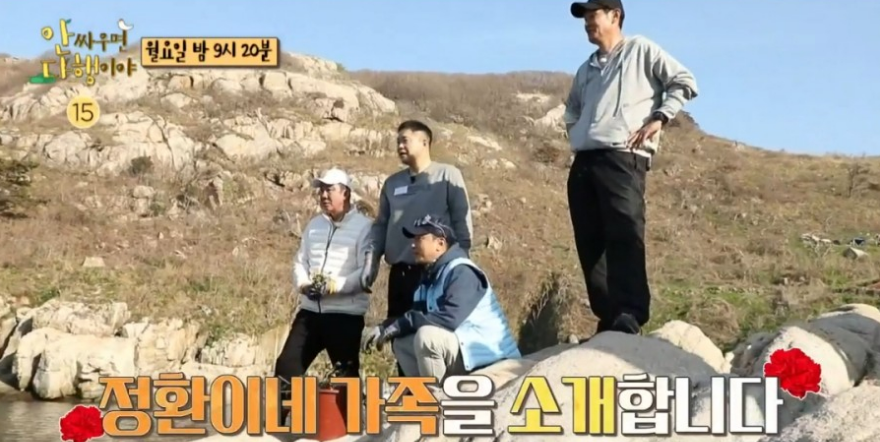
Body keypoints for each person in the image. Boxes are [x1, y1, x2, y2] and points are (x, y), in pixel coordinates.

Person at [565, 0, 699, 337]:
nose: (587, 22)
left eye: (593, 14)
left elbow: (684, 80)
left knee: (624, 233)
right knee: (590, 242)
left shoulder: (640, 49)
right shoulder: (585, 69)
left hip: (624, 156)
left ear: (615, 16)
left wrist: (660, 117)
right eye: (584, 17)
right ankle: (608, 316)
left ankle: (629, 313)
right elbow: (572, 109)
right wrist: (577, 132)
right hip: (585, 160)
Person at [359, 120, 474, 374]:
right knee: (401, 342)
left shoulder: (447, 176)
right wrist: (371, 259)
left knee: (429, 338)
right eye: (397, 141)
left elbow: (462, 223)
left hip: (434, 274)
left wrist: (460, 266)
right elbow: (381, 225)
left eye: (405, 140)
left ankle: (441, 396)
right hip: (400, 276)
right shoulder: (392, 184)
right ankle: (412, 399)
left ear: (424, 142)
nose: (399, 145)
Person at [361, 214, 520, 381]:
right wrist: (385, 327)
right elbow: (419, 317)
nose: (413, 244)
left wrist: (402, 324)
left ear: (440, 244)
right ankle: (424, 392)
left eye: (420, 238)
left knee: (427, 337)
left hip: (493, 360)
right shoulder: (429, 278)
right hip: (464, 355)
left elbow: (449, 319)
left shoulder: (462, 272)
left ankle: (436, 395)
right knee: (402, 343)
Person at [273, 168, 372, 400]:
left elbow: (365, 273)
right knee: (286, 367)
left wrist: (334, 286)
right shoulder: (314, 225)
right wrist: (304, 285)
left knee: (345, 377)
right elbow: (300, 262)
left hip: (345, 315)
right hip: (310, 312)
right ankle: (279, 419)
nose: (324, 195)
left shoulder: (365, 227)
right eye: (321, 191)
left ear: (346, 193)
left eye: (330, 190)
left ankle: (353, 420)